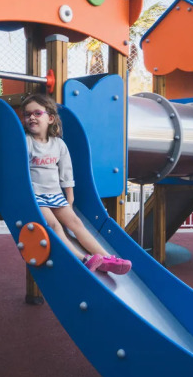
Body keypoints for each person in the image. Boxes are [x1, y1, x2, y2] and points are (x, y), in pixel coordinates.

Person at [21, 93, 131, 275]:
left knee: (76, 223)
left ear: (50, 118)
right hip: (36, 196)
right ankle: (83, 259)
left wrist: (69, 199)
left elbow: (66, 173)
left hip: (55, 195)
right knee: (54, 225)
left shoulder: (58, 144)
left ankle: (106, 258)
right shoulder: (27, 142)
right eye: (27, 114)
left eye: (37, 113)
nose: (31, 117)